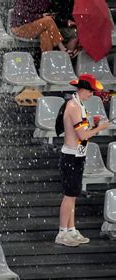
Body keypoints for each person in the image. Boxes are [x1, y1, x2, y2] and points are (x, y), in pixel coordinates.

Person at [56, 74, 109, 247]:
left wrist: (93, 127)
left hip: (76, 154)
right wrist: (100, 128)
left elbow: (83, 134)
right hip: (71, 155)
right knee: (69, 196)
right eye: (90, 91)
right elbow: (83, 135)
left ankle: (71, 229)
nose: (92, 94)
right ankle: (62, 232)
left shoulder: (78, 104)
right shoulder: (73, 106)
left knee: (73, 195)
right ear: (82, 89)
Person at [10, 0, 76, 55]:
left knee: (45, 33)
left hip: (38, 25)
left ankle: (46, 62)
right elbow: (23, 16)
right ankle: (63, 49)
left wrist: (65, 21)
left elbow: (51, 13)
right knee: (48, 20)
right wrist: (40, 16)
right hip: (19, 27)